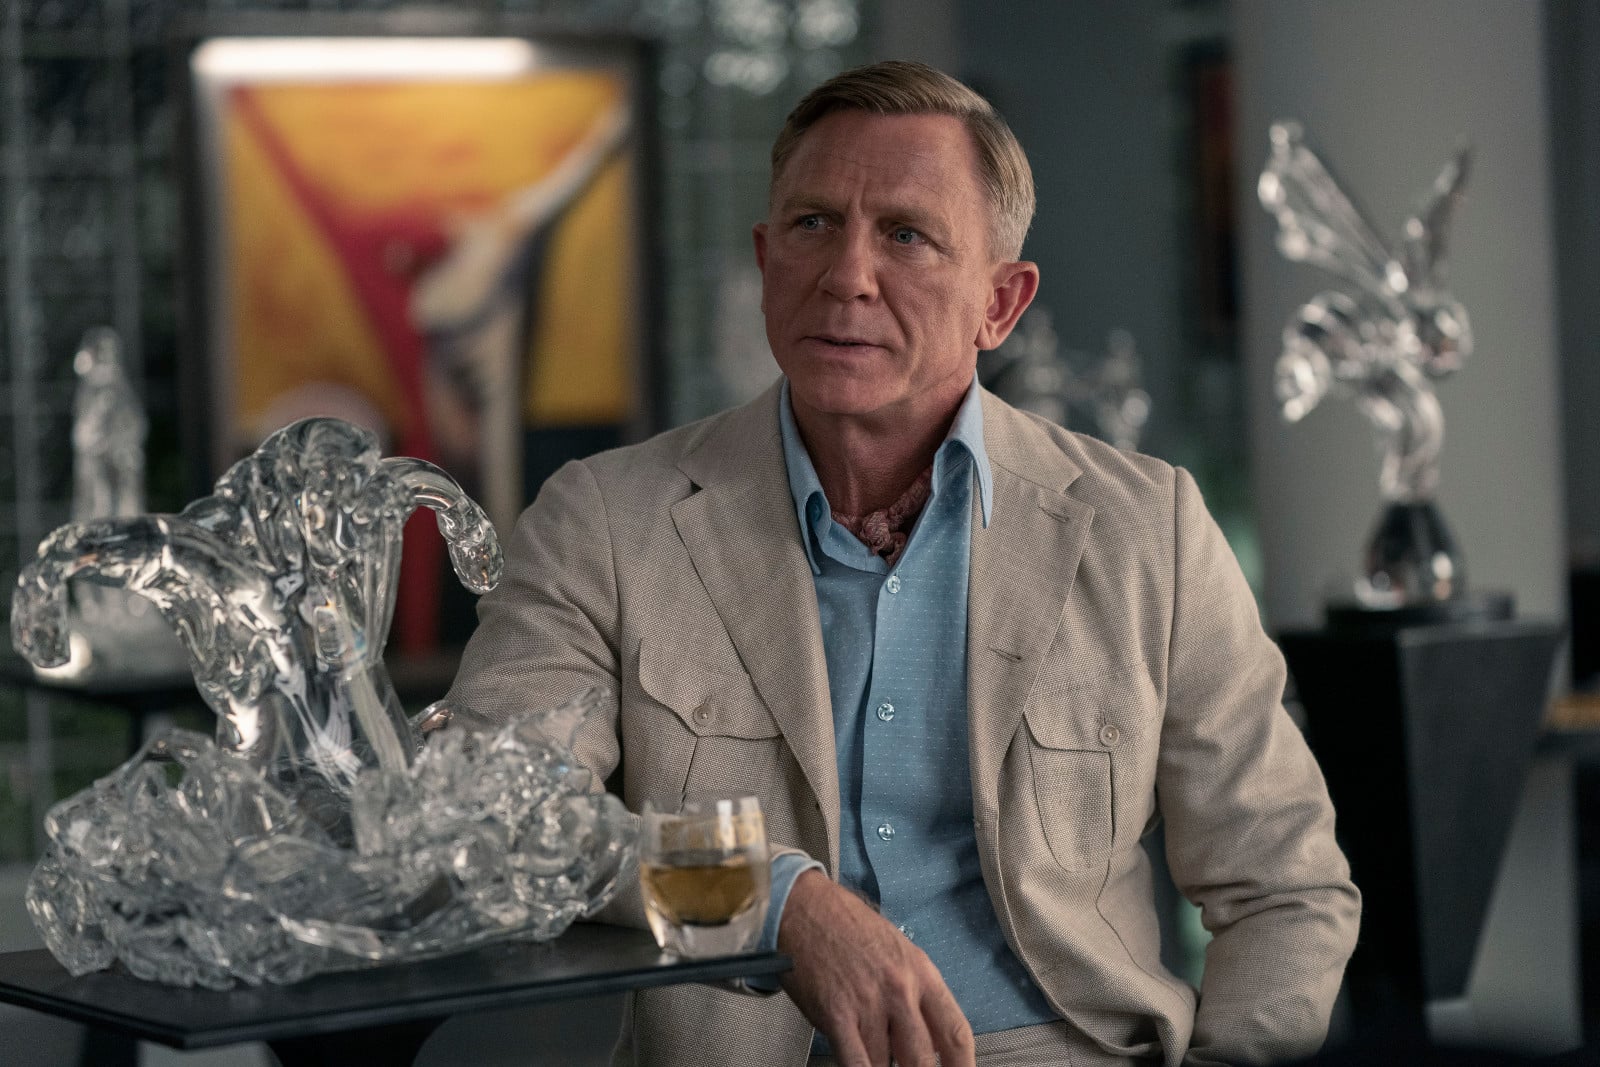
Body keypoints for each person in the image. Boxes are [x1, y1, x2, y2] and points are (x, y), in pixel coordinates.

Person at [447, 60, 1360, 1067]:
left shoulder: (1148, 530)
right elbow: (495, 820)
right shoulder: (607, 522)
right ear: (766, 261)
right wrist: (769, 902)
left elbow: (1285, 885)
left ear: (999, 303)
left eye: (907, 235)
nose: (847, 274)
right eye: (811, 224)